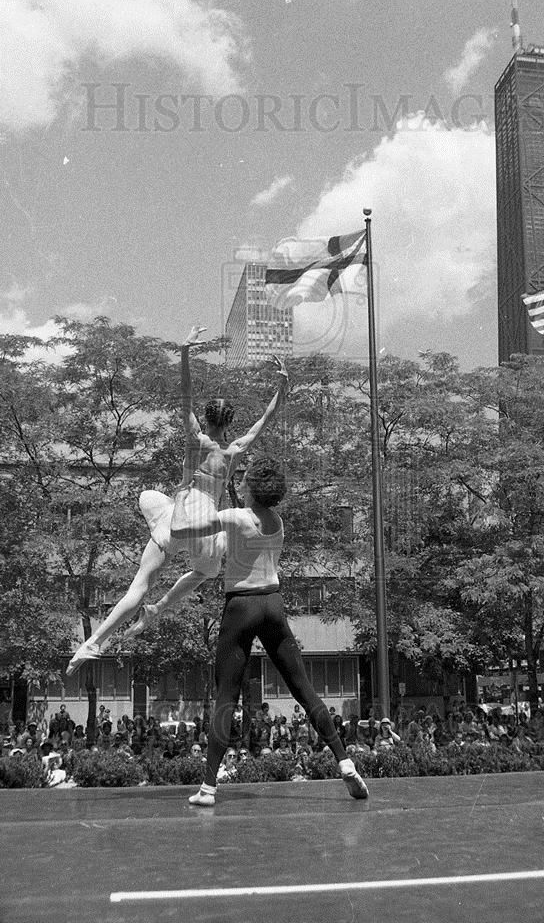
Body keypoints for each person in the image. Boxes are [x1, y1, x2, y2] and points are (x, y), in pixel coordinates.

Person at [66, 329, 288, 674]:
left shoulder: (197, 441)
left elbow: (185, 398)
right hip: (204, 523)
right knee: (203, 571)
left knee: (139, 581)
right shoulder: (232, 451)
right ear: (229, 422)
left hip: (180, 516)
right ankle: (159, 608)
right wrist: (281, 387)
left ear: (208, 417)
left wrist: (184, 352)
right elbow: (265, 421)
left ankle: (93, 642)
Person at [187, 456, 368, 806]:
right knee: (304, 689)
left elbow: (188, 529)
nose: (239, 483)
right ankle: (345, 762)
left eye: (244, 480)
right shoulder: (277, 522)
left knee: (226, 695)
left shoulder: (235, 517)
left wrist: (188, 495)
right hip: (273, 604)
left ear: (251, 488)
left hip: (241, 607)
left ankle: (208, 788)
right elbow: (246, 526)